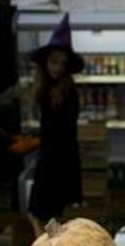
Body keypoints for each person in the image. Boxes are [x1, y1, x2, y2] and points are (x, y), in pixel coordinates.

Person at [28, 14, 84, 221]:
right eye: (54, 62)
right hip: (49, 155)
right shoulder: (45, 88)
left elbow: (65, 131)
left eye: (62, 63)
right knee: (43, 213)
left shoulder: (68, 91)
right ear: (46, 62)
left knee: (40, 211)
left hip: (59, 158)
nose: (58, 67)